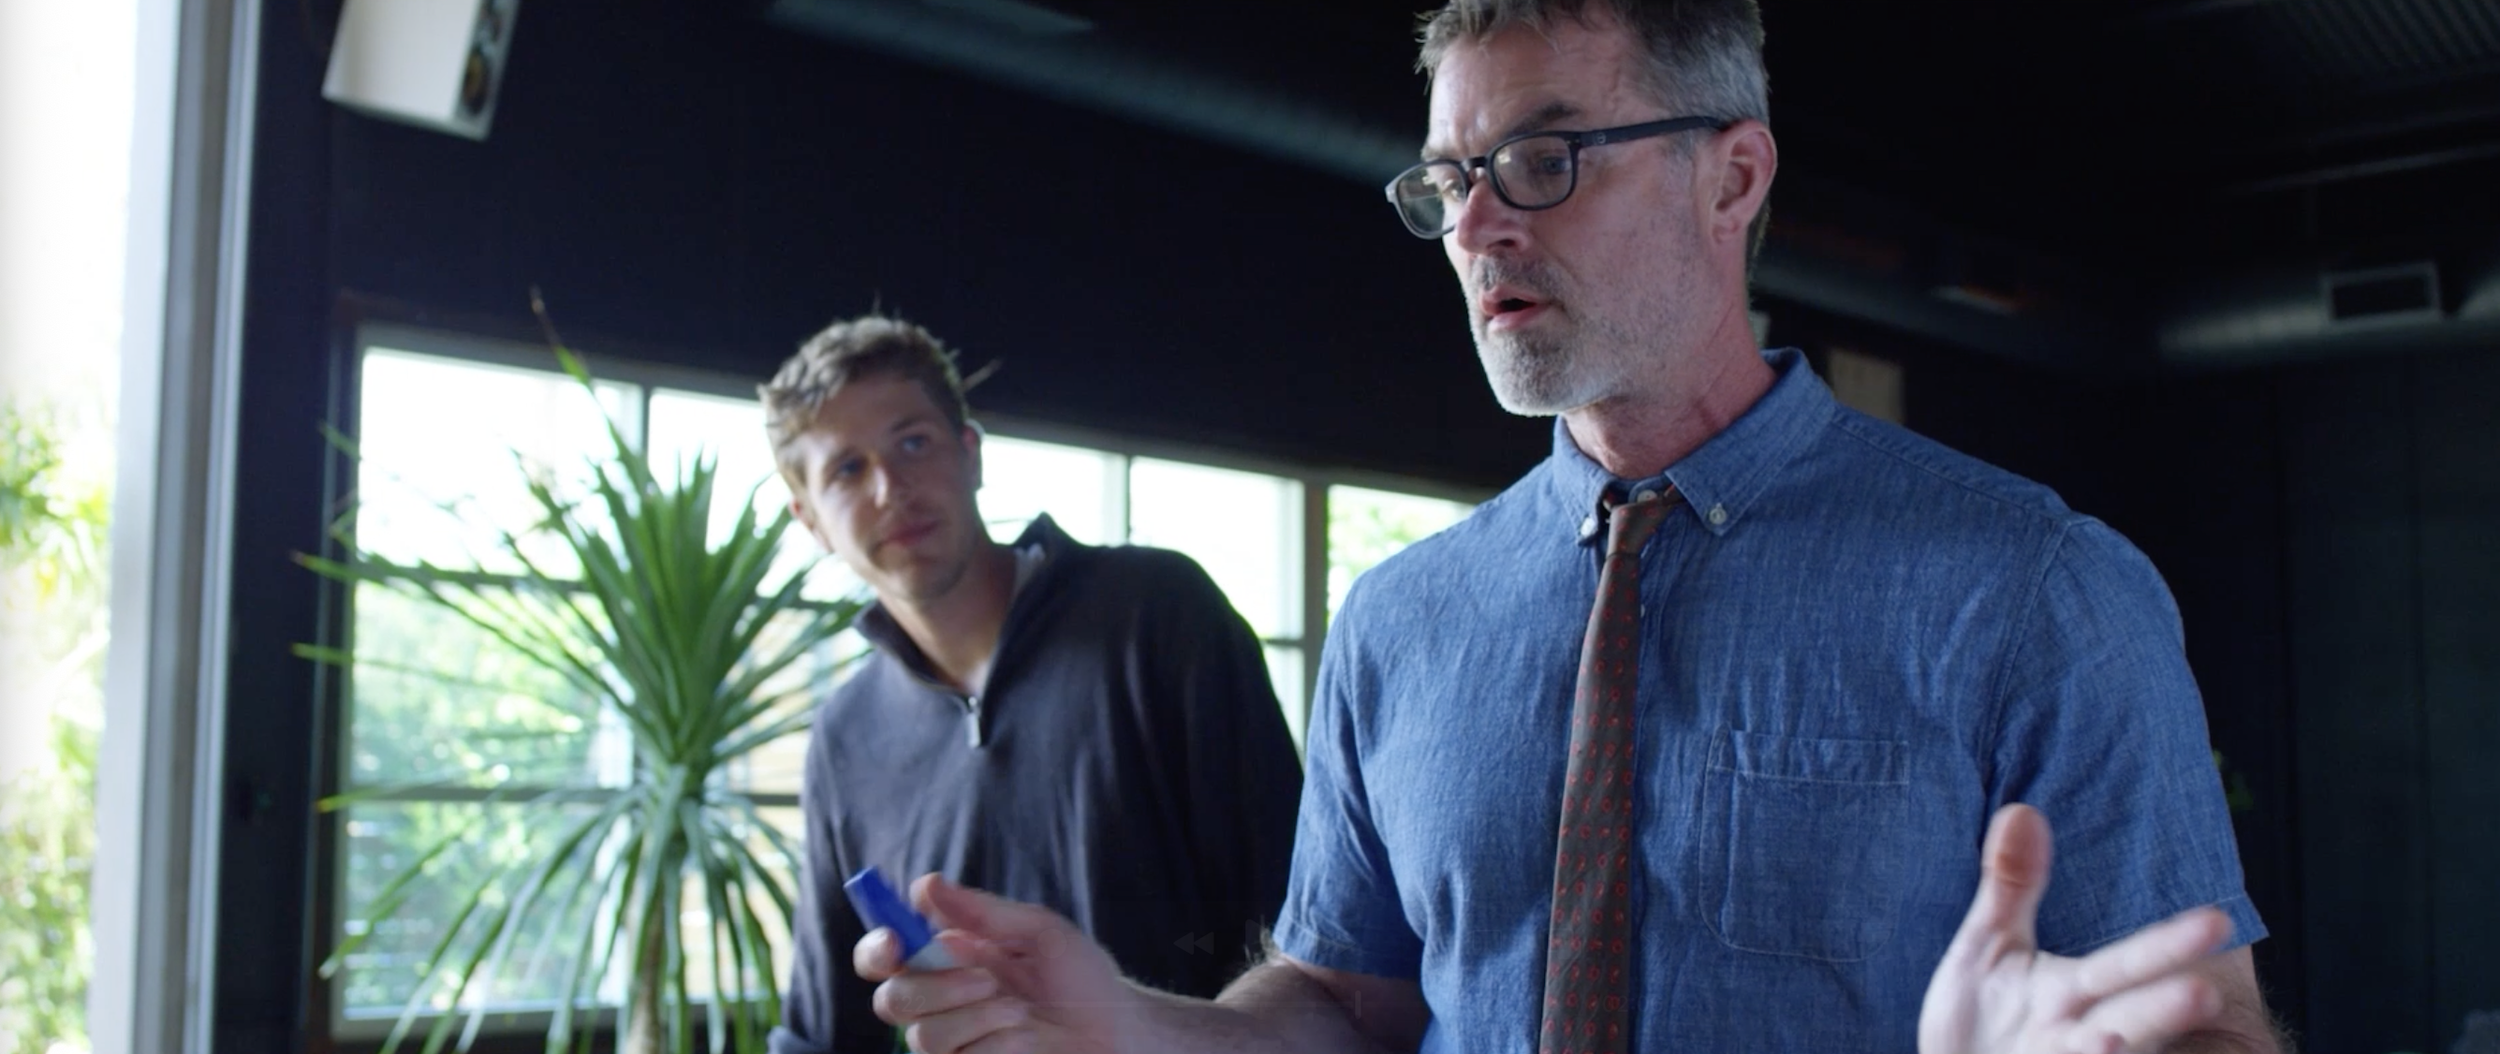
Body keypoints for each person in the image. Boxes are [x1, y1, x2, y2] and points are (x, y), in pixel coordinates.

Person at [855, 2, 2287, 1051]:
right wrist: (1128, 1022)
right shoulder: (1400, 623)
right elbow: (1344, 1004)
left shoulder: (2035, 587)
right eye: (1449, 180)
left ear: (1732, 177)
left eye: (1544, 161)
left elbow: (2207, 1023)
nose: (1476, 229)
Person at [758, 314, 1304, 1053]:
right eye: (846, 470)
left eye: (913, 442)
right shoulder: (844, 735)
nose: (891, 487)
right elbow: (826, 1028)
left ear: (971, 452)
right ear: (810, 520)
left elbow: (1297, 919)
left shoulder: (1157, 614)